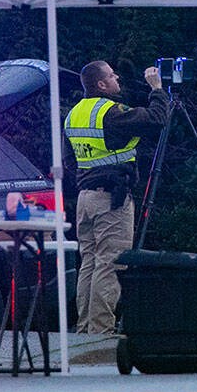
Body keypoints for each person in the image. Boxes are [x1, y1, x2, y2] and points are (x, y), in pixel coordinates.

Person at [62, 59, 169, 334]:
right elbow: (158, 119)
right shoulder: (110, 113)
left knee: (89, 262)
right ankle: (100, 330)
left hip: (86, 197)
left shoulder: (74, 114)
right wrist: (157, 88)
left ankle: (85, 328)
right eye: (111, 76)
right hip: (111, 199)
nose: (117, 78)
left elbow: (69, 162)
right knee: (110, 262)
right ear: (100, 84)